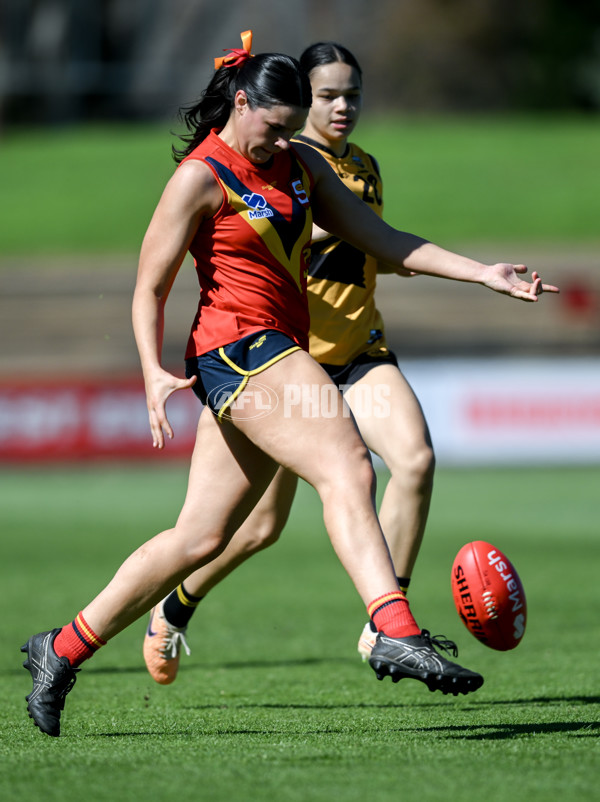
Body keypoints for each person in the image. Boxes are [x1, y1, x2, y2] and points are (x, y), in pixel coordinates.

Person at [21, 32, 558, 738]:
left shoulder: (301, 165)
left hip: (268, 355)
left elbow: (383, 239)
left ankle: (59, 650)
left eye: (287, 130)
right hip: (241, 352)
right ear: (241, 104)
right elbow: (148, 288)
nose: (278, 143)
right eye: (271, 128)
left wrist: (484, 272)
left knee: (200, 537)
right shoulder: (199, 178)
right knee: (345, 464)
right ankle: (393, 625)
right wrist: (151, 370)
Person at [142, 41, 437, 686]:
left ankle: (385, 624)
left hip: (355, 358)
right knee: (255, 529)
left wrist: (465, 269)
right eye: (327, 95)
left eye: (352, 94)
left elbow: (379, 245)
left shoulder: (362, 167)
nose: (342, 106)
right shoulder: (278, 170)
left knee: (412, 459)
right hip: (285, 369)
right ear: (294, 105)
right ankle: (175, 603)